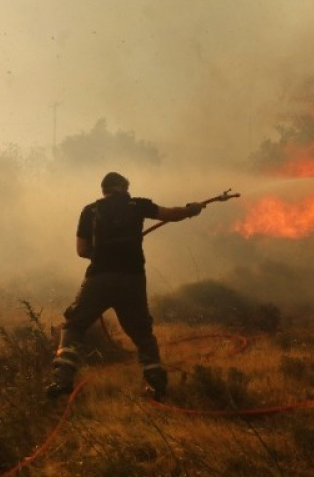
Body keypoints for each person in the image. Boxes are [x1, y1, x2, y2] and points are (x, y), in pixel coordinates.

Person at [45, 172, 205, 401]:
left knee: (74, 326)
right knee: (142, 333)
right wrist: (192, 209)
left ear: (104, 190)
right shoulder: (138, 205)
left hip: (99, 278)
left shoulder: (90, 211)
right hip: (132, 279)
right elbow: (170, 214)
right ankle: (156, 385)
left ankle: (62, 379)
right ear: (121, 187)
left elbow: (81, 251)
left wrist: (102, 254)